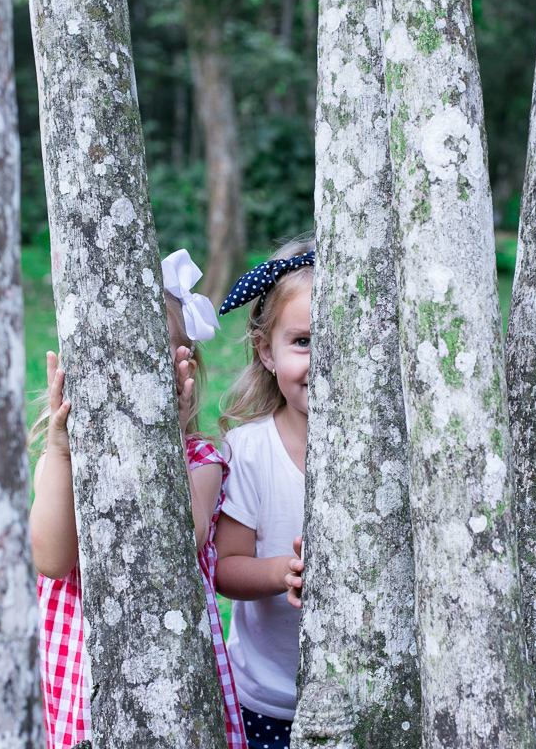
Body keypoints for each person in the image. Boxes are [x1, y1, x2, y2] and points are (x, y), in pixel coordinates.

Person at [27, 249, 246, 749]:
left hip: (173, 667)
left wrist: (163, 438)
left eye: (149, 358)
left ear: (183, 370)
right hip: (86, 678)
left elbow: (178, 542)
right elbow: (54, 560)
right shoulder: (58, 467)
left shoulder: (199, 461)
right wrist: (61, 452)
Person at [214, 237, 313, 749]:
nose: (325, 359)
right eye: (303, 341)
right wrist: (282, 571)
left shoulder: (399, 456)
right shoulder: (248, 451)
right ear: (265, 352)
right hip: (266, 701)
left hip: (374, 692)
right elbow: (225, 567)